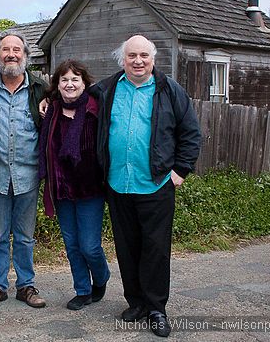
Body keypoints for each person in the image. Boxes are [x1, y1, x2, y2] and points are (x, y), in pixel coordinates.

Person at [91, 35, 201, 337]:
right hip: (118, 184)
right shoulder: (107, 89)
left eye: (143, 56)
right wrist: (49, 99)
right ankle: (136, 302)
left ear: (153, 59)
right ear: (122, 59)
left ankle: (156, 308)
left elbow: (191, 133)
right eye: (131, 56)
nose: (138, 61)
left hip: (155, 184)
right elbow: (71, 96)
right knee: (127, 248)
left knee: (155, 249)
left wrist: (180, 171)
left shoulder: (169, 90)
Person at [0, 30, 47, 309]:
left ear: (25, 56)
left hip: (28, 175)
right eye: (5, 50)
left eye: (16, 50)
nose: (11, 54)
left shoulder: (40, 89)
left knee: (25, 235)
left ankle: (26, 286)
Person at [38, 60, 110, 311]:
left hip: (91, 189)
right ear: (57, 85)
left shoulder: (96, 108)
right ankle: (82, 290)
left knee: (90, 246)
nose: (70, 84)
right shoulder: (51, 111)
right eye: (64, 80)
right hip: (62, 189)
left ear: (84, 83)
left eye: (75, 79)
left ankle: (101, 277)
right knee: (72, 245)